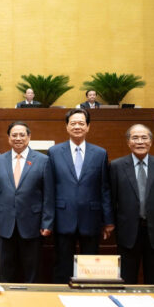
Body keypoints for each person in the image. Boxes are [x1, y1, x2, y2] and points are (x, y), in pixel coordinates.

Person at [48, 108, 114, 283]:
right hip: (63, 216)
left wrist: (108, 220)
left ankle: (88, 294)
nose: (77, 126)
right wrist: (48, 220)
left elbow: (104, 188)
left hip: (91, 217)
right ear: (67, 127)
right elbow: (49, 189)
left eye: (81, 123)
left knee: (90, 265)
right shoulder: (54, 152)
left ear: (88, 127)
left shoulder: (100, 153)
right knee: (62, 264)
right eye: (73, 123)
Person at [110, 124, 154, 284]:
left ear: (150, 142)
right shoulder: (116, 166)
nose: (140, 142)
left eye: (144, 138)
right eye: (135, 138)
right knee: (126, 278)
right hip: (126, 232)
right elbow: (111, 198)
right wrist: (108, 223)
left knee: (153, 279)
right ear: (128, 142)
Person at [0, 121, 53, 283]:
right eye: (14, 135)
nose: (18, 138)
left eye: (22, 135)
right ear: (8, 138)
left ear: (29, 137)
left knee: (32, 270)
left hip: (33, 224)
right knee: (6, 269)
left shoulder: (43, 160)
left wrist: (47, 222)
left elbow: (48, 194)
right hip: (5, 224)